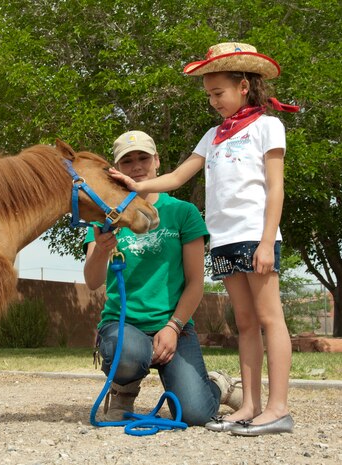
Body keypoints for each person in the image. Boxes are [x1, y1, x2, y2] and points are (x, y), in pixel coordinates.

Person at [109, 43, 299, 436]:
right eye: (209, 95)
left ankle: (278, 408)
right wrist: (133, 184)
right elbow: (177, 177)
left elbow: (276, 188)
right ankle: (249, 404)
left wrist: (267, 242)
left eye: (218, 93)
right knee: (245, 323)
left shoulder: (268, 126)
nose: (213, 101)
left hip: (255, 236)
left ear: (243, 86)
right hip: (225, 240)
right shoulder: (213, 135)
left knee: (268, 317)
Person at [84, 130, 241, 427]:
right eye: (127, 161)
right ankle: (123, 390)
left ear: (157, 160)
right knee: (129, 351)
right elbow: (93, 281)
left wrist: (173, 326)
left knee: (196, 414)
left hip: (175, 326)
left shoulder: (183, 212)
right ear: (116, 170)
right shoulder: (105, 214)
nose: (137, 166)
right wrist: (101, 252)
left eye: (143, 157)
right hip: (123, 325)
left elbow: (196, 282)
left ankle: (219, 386)